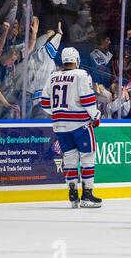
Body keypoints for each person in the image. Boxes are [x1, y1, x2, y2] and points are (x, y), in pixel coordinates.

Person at [41, 47, 102, 208]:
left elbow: (45, 103)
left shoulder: (53, 76)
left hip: (60, 126)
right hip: (80, 125)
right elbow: (88, 99)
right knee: (87, 158)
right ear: (77, 60)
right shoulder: (81, 74)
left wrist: (61, 112)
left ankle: (72, 192)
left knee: (69, 158)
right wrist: (95, 115)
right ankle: (87, 195)